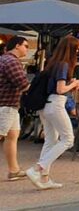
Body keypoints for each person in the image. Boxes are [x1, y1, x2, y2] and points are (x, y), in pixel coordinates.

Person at [27, 35, 79, 190]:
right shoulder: (64, 65)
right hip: (56, 104)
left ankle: (44, 179)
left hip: (46, 105)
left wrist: (70, 84)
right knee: (68, 139)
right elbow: (60, 89)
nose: (78, 52)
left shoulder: (53, 64)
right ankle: (37, 169)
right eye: (76, 49)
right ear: (71, 49)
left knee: (51, 140)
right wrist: (73, 84)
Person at [0, 36, 30, 181]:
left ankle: (14, 170)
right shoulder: (12, 61)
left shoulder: (4, 59)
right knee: (3, 136)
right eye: (25, 45)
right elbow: (23, 84)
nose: (27, 49)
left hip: (10, 104)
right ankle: (13, 170)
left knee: (12, 136)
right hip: (5, 105)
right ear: (17, 46)